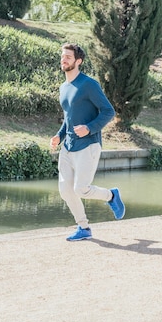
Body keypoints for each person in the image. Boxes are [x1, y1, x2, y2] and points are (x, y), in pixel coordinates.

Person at [50, 43, 125, 242]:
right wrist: (59, 135)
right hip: (68, 146)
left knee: (80, 189)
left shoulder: (89, 84)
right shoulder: (64, 87)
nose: (63, 60)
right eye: (62, 56)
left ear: (78, 61)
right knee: (65, 191)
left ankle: (111, 195)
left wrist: (90, 128)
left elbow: (108, 111)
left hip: (89, 144)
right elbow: (69, 117)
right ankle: (83, 227)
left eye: (68, 57)